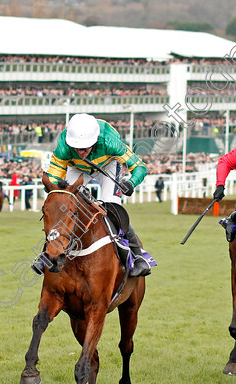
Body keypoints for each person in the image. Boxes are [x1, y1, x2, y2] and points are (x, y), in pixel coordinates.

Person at [32, 113, 151, 277]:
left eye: (85, 148)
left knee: (113, 208)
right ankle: (46, 253)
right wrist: (54, 190)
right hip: (77, 168)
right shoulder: (64, 146)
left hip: (107, 165)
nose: (81, 152)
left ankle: (137, 256)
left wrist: (131, 183)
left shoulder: (110, 142)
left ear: (94, 143)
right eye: (77, 148)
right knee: (62, 207)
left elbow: (140, 167)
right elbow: (53, 177)